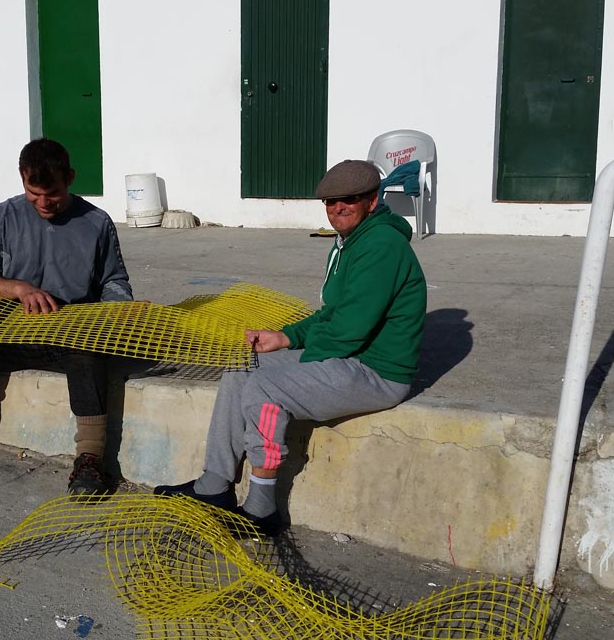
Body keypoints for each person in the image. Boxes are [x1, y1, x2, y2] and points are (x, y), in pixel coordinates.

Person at [154, 159, 426, 534]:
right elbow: (333, 314)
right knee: (242, 366)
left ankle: (263, 510)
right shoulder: (353, 241)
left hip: (376, 372)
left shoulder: (381, 246)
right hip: (350, 356)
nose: (337, 208)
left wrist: (295, 366)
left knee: (265, 388)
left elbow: (348, 331)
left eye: (348, 199)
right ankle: (214, 485)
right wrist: (284, 338)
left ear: (372, 200)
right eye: (330, 202)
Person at [0, 137, 133, 497]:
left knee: (89, 339)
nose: (43, 203)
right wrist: (19, 289)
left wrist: (120, 310)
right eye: (33, 194)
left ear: (69, 178)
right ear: (22, 178)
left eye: (51, 194)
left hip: (67, 338)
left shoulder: (96, 223)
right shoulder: (2, 216)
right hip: (8, 335)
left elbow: (113, 280)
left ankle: (89, 459)